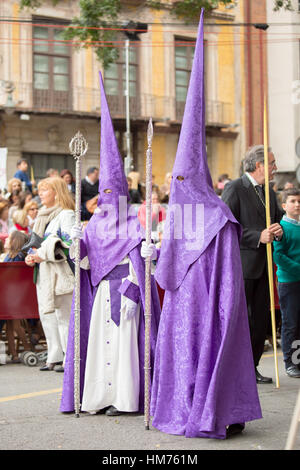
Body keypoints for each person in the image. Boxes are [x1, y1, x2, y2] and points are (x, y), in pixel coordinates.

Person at [150, 11, 262, 440]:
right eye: (172, 180)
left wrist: (225, 307)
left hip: (213, 305)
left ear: (194, 177)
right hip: (183, 306)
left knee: (212, 353)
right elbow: (167, 268)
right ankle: (184, 406)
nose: (176, 186)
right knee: (183, 353)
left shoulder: (218, 214)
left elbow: (228, 275)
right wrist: (153, 252)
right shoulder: (179, 213)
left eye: (182, 179)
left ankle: (218, 409)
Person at [60, 73, 161, 416]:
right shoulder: (95, 223)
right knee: (100, 348)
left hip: (126, 291)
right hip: (101, 293)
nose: (105, 201)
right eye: (101, 195)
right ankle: (98, 398)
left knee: (122, 349)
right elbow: (84, 264)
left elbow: (144, 259)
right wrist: (77, 243)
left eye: (111, 195)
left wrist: (138, 282)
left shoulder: (135, 222)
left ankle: (125, 399)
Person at [222, 145, 283, 384]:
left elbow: (276, 219)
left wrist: (278, 230)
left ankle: (253, 365)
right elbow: (227, 226)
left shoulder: (268, 189)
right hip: (244, 265)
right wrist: (258, 236)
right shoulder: (235, 188)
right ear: (259, 166)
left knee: (261, 320)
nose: (275, 167)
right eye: (272, 163)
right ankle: (239, 368)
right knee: (244, 320)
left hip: (266, 266)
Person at [25, 177, 75, 373]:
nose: (40, 194)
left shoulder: (66, 214)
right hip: (44, 272)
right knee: (48, 316)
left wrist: (42, 254)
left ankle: (68, 357)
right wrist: (31, 256)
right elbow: (36, 244)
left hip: (59, 273)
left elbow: (70, 245)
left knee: (64, 317)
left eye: (45, 190)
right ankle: (54, 356)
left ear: (56, 192)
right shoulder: (42, 217)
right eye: (40, 190)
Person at [273, 188, 300, 378]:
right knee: (291, 323)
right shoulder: (281, 227)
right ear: (284, 205)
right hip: (289, 281)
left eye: (299, 201)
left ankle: (298, 361)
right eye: (292, 201)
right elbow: (278, 256)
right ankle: (290, 362)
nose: (297, 204)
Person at [3, 230, 32, 363]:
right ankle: (15, 353)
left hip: (13, 295)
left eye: (9, 238)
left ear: (15, 241)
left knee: (14, 325)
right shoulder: (14, 255)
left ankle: (26, 349)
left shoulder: (16, 256)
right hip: (12, 295)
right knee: (11, 325)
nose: (5, 240)